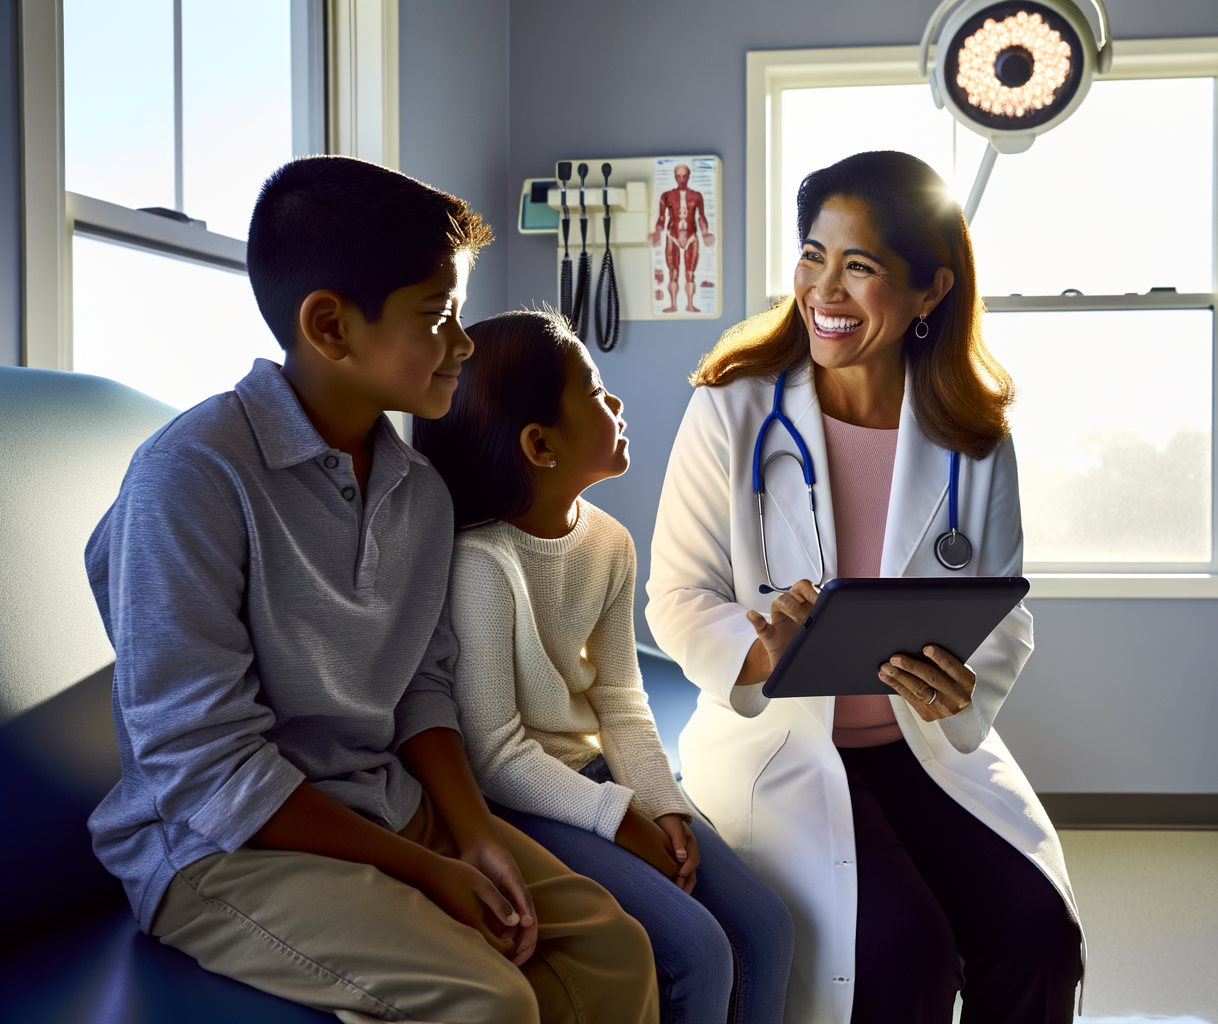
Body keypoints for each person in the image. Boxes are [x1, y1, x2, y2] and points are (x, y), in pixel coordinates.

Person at [85, 156, 658, 1023]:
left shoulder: (418, 492)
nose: (464, 344)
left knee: (613, 950)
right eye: (440, 315)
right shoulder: (192, 477)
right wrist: (432, 873)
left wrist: (471, 835)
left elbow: (421, 688)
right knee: (488, 999)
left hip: (384, 802)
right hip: (219, 849)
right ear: (330, 326)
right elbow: (207, 770)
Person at [645, 151, 1083, 1024]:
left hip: (924, 745)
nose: (824, 289)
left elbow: (1003, 611)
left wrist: (967, 682)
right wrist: (757, 651)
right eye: (813, 255)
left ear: (931, 291)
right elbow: (678, 597)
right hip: (780, 746)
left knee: (1038, 936)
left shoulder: (974, 435)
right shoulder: (732, 410)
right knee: (900, 957)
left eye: (861, 266)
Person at [412, 309, 795, 1024]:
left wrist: (663, 806)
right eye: (593, 390)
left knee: (766, 927)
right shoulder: (482, 565)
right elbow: (494, 754)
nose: (614, 403)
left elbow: (621, 695)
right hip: (518, 799)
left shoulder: (610, 543)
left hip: (591, 778)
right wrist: (620, 821)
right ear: (539, 444)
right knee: (697, 952)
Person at [650, 163, 714, 313]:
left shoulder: (697, 196)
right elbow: (661, 217)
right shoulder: (667, 196)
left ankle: (690, 304)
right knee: (673, 273)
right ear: (675, 177)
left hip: (691, 237)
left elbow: (701, 217)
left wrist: (705, 233)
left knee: (690, 274)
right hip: (673, 236)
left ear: (688, 177)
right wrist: (657, 233)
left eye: (684, 176)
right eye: (678, 176)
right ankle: (673, 305)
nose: (682, 179)